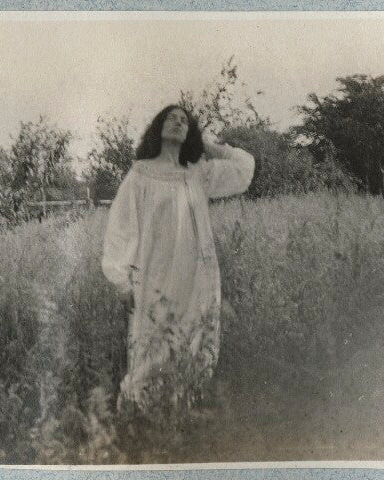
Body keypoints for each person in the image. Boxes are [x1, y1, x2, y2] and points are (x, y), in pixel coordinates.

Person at [101, 104, 255, 428]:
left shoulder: (198, 173)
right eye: (171, 117)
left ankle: (180, 419)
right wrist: (120, 280)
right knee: (152, 344)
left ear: (190, 133)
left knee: (192, 341)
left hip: (196, 277)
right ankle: (139, 421)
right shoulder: (140, 173)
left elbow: (243, 171)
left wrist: (209, 145)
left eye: (185, 120)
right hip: (155, 273)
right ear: (159, 126)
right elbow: (121, 226)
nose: (178, 122)